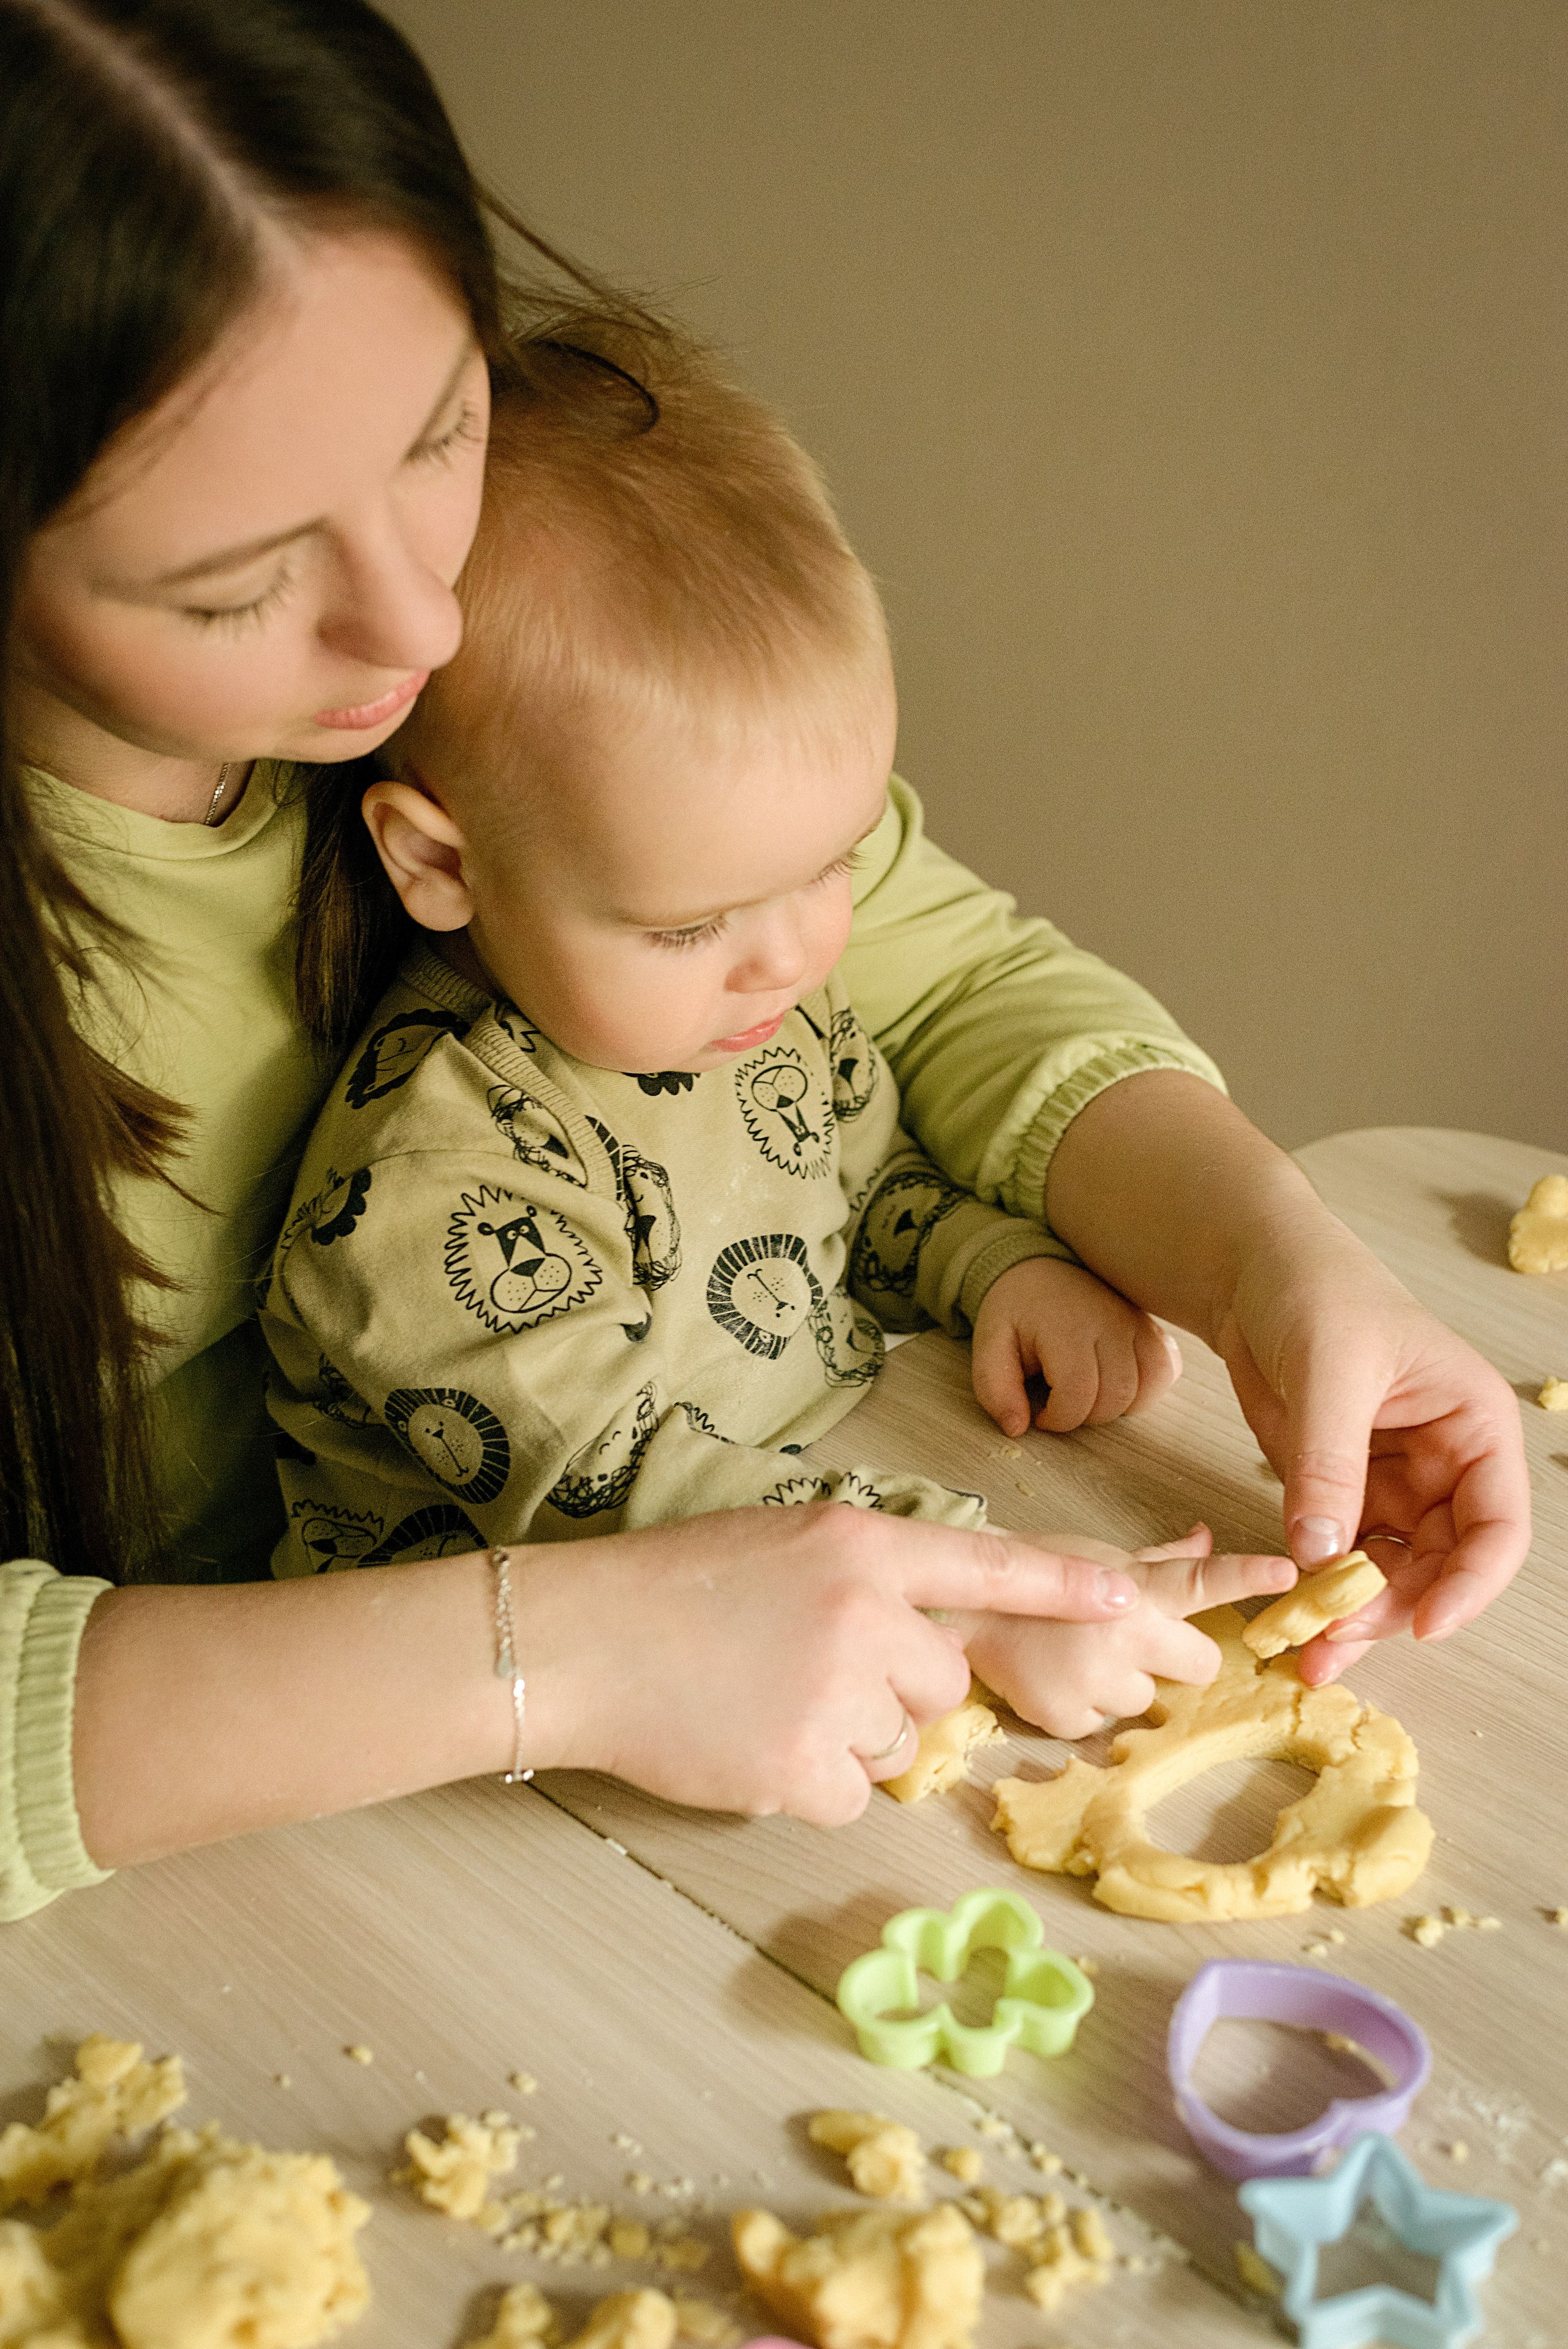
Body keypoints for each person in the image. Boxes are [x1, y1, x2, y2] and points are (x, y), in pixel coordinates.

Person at [0, 0, 1529, 1921]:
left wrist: (1268, 1257)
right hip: (196, 1887)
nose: (414, 617)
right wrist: (571, 1646)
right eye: (235, 581)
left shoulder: (530, 620)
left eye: (438, 429)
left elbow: (944, 989)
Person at [259, 331, 1299, 1733]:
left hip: (797, 1547)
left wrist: (982, 1263)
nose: (795, 954)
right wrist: (990, 1589)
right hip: (495, 1736)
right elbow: (628, 1489)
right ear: (439, 867)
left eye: (831, 864)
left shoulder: (745, 1002)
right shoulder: (427, 1190)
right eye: (688, 924)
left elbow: (839, 1183)